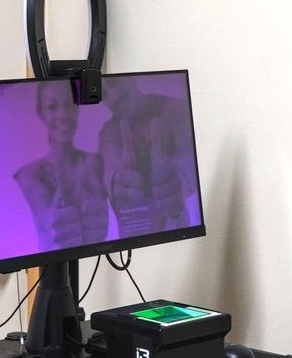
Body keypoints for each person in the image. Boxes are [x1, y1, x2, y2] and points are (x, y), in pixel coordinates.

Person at [14, 79, 110, 251]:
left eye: (70, 104)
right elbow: (47, 218)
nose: (63, 114)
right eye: (52, 107)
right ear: (40, 113)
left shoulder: (96, 162)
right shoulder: (28, 175)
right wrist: (58, 224)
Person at [98, 77, 196, 237]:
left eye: (113, 83)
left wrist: (178, 180)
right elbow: (112, 167)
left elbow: (188, 163)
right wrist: (119, 183)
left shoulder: (177, 110)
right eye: (104, 94)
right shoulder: (109, 133)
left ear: (127, 78)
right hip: (134, 243)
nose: (113, 96)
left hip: (175, 240)